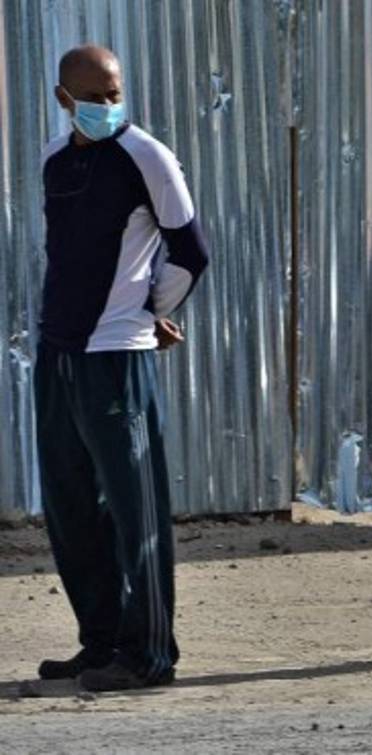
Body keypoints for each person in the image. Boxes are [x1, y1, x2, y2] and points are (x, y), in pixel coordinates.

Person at [34, 44, 209, 691]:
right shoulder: (54, 159)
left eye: (114, 93)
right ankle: (100, 641)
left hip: (117, 356)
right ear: (63, 99)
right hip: (59, 354)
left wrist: (146, 310)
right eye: (94, 96)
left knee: (136, 510)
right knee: (71, 505)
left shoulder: (147, 157)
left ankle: (148, 654)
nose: (108, 106)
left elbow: (190, 250)